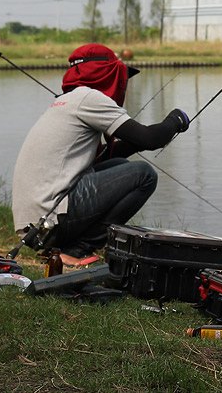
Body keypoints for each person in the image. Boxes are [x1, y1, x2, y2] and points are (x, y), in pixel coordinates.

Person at [11, 44, 190, 266]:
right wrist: (175, 121)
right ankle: (79, 249)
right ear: (107, 75)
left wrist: (134, 144)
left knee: (117, 164)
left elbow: (102, 159)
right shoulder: (89, 98)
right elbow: (150, 139)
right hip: (50, 221)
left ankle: (68, 247)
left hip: (36, 226)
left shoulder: (67, 101)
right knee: (144, 174)